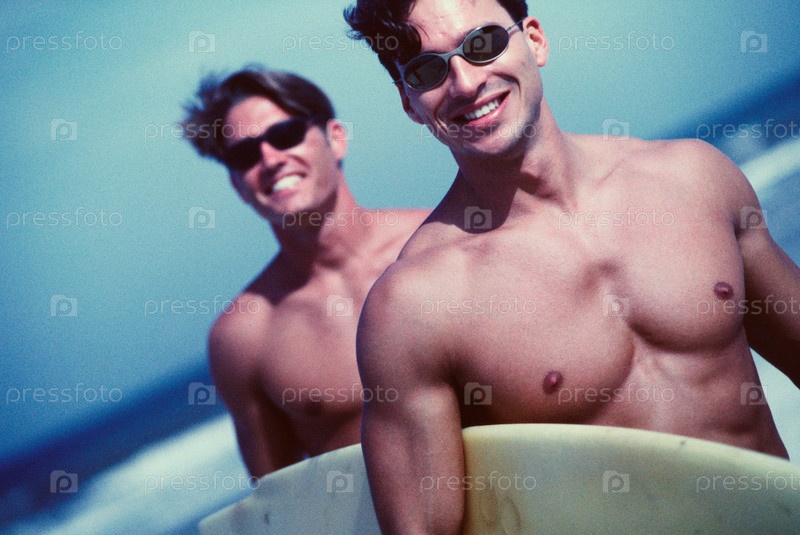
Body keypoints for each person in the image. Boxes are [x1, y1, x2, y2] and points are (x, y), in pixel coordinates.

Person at [344, 1, 800, 532]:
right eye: (427, 70)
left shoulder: (694, 179)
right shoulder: (413, 307)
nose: (465, 82)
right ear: (409, 102)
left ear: (534, 40)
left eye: (483, 44)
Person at [182, 67, 428, 477]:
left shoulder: (437, 245)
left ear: (336, 138)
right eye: (244, 155)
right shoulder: (244, 336)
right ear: (237, 184)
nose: (270, 159)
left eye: (286, 134)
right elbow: (279, 499)